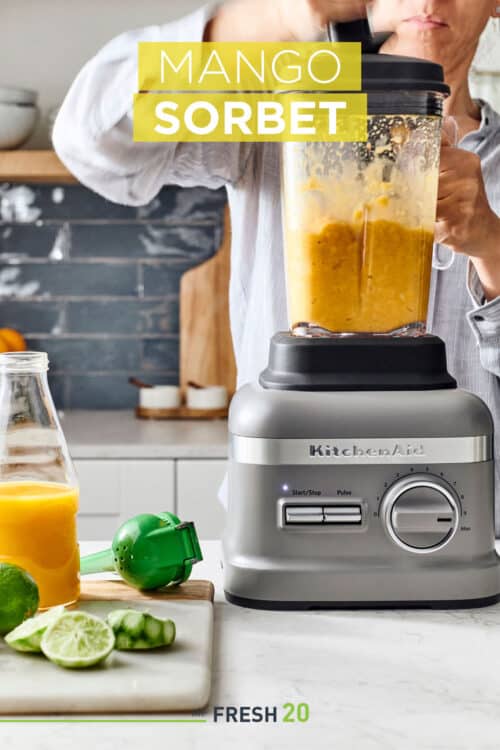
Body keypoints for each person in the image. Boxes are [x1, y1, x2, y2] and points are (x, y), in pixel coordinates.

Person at [53, 1, 500, 525]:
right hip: (284, 506)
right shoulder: (278, 125)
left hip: (469, 526)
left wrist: (491, 243)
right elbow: (91, 139)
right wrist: (277, 18)